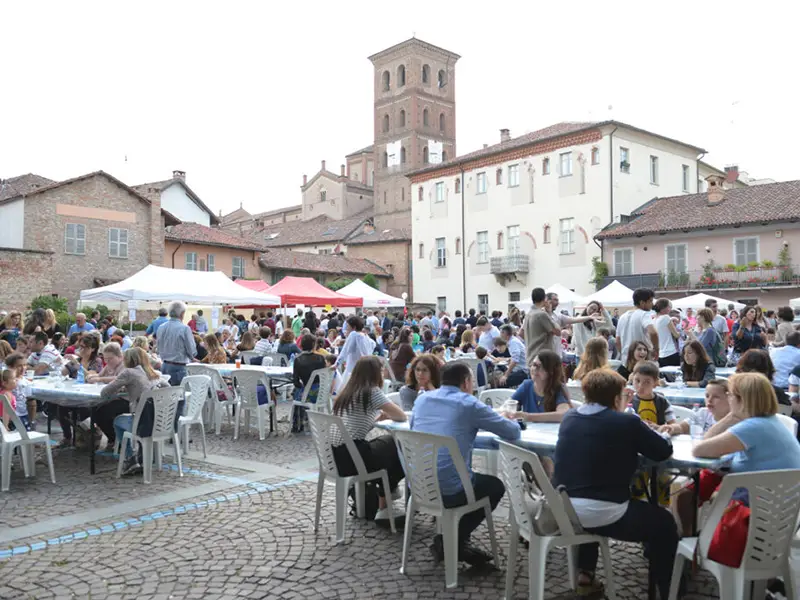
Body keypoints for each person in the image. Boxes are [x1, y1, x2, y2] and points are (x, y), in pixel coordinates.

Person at [552, 369, 676, 599]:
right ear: (615, 398)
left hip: (565, 509)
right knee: (665, 523)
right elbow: (662, 451)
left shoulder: (570, 417)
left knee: (590, 494)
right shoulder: (627, 422)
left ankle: (585, 575)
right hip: (607, 512)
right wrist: (664, 434)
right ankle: (668, 590)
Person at [411, 361, 521, 564]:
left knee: (464, 476)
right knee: (495, 486)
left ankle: (456, 543)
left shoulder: (422, 401)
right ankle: (452, 540)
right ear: (466, 382)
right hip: (451, 489)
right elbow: (512, 432)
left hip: (418, 484)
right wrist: (511, 418)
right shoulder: (468, 403)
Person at [331, 356, 407, 522]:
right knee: (400, 446)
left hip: (335, 457)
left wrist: (375, 419)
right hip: (353, 457)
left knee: (388, 447)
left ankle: (388, 493)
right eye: (381, 370)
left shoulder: (347, 391)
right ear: (375, 373)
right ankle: (385, 500)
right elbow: (400, 416)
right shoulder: (371, 391)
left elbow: (354, 422)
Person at [660, 379, 731, 536]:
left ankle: (713, 538)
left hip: (729, 473)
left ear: (730, 399)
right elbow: (683, 427)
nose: (709, 400)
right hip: (707, 470)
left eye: (716, 397)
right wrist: (670, 428)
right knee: (684, 498)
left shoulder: (735, 421)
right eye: (707, 396)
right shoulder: (703, 413)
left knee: (717, 500)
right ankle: (688, 535)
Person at [104, 348, 170, 475]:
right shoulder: (154, 373)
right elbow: (168, 389)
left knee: (118, 421)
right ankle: (144, 454)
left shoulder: (128, 372)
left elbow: (105, 392)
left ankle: (131, 457)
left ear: (127, 360)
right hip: (161, 420)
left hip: (142, 420)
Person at [510, 349, 571, 422]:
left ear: (551, 371)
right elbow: (508, 405)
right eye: (534, 365)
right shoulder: (526, 385)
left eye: (540, 366)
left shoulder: (558, 388)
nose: (534, 369)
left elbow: (563, 414)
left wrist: (528, 417)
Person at [291, 334, 328, 432]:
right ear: (314, 345)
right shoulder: (321, 358)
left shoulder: (298, 359)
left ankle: (297, 423)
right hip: (321, 392)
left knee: (295, 391)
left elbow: (296, 382)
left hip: (307, 394)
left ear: (302, 345)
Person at [155, 301, 197, 387]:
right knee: (180, 397)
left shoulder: (161, 327)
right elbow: (192, 351)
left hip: (164, 366)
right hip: (179, 367)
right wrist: (192, 357)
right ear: (182, 314)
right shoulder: (184, 328)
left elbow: (158, 348)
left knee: (166, 396)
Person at [615, 288, 659, 361]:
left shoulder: (622, 316)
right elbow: (653, 332)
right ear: (642, 302)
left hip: (626, 360)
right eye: (650, 301)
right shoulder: (644, 314)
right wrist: (656, 349)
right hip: (643, 358)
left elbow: (617, 341)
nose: (652, 304)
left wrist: (624, 353)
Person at [524, 288, 561, 367]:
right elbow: (558, 332)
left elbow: (521, 333)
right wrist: (550, 312)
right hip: (541, 359)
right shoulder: (541, 314)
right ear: (545, 299)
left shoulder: (528, 314)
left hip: (530, 357)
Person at [335, 316, 376, 383]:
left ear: (353, 327)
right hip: (365, 369)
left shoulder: (353, 334)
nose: (346, 329)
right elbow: (373, 344)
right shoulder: (365, 336)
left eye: (347, 327)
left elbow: (344, 351)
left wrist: (336, 364)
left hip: (353, 369)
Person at [4, 353, 33, 429]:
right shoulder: (6, 382)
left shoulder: (25, 381)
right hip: (12, 417)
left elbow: (29, 401)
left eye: (25, 365)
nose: (23, 368)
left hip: (22, 414)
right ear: (10, 367)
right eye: (19, 366)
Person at [653, 299, 680, 367]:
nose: (670, 309)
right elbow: (676, 335)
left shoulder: (654, 320)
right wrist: (682, 331)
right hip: (671, 352)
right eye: (669, 307)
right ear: (664, 308)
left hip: (660, 354)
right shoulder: (666, 317)